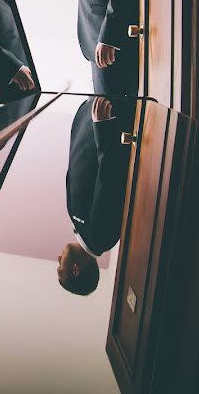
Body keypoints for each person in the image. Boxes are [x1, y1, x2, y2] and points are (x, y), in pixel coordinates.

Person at [58, 96, 134, 295]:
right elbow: (110, 179)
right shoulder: (102, 237)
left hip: (92, 112)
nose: (58, 260)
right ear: (75, 270)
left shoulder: (82, 230)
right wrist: (103, 126)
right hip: (108, 114)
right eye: (60, 268)